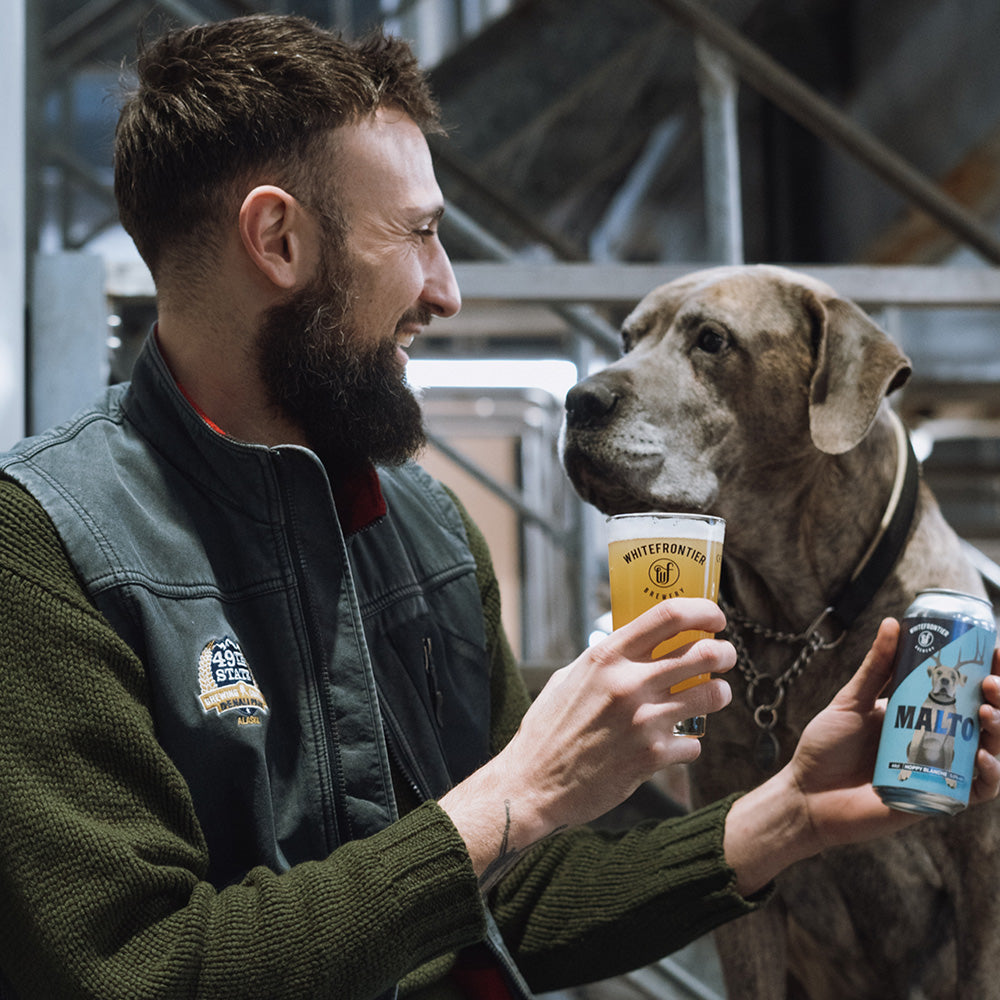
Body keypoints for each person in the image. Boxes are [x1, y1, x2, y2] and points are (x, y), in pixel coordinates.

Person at [0, 13, 998, 1000]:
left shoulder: (426, 530)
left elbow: (513, 897)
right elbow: (133, 969)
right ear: (277, 239)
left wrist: (790, 813)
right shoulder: (43, 547)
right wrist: (519, 788)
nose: (446, 293)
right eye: (420, 233)